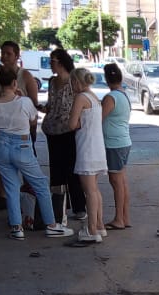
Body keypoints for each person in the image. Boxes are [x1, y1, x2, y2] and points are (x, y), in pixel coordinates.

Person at [0, 66, 75, 241]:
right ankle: (51, 225)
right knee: (40, 184)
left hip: (1, 146)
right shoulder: (24, 102)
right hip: (22, 145)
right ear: (14, 83)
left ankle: (17, 228)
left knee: (11, 188)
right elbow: (33, 121)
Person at [0, 40, 40, 212]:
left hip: (23, 130)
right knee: (2, 163)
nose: (4, 56)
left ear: (16, 55)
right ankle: (3, 196)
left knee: (26, 163)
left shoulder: (26, 76)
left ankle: (29, 195)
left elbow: (34, 104)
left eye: (8, 53)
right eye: (3, 53)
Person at [39, 49, 87, 223]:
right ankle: (60, 208)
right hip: (52, 130)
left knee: (72, 169)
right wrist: (42, 108)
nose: (50, 64)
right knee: (56, 170)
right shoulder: (52, 82)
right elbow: (51, 104)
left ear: (59, 62)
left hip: (69, 130)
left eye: (51, 61)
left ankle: (79, 207)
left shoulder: (73, 81)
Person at [67, 67, 107, 245]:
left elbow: (71, 124)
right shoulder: (94, 98)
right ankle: (99, 225)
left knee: (89, 192)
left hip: (86, 149)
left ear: (76, 81)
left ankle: (91, 230)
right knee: (95, 189)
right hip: (97, 148)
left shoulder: (80, 98)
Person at [101, 62, 132, 231]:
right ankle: (124, 217)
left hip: (113, 144)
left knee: (116, 181)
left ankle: (119, 218)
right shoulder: (123, 94)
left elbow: (99, 118)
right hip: (123, 142)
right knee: (122, 182)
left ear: (107, 79)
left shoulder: (111, 97)